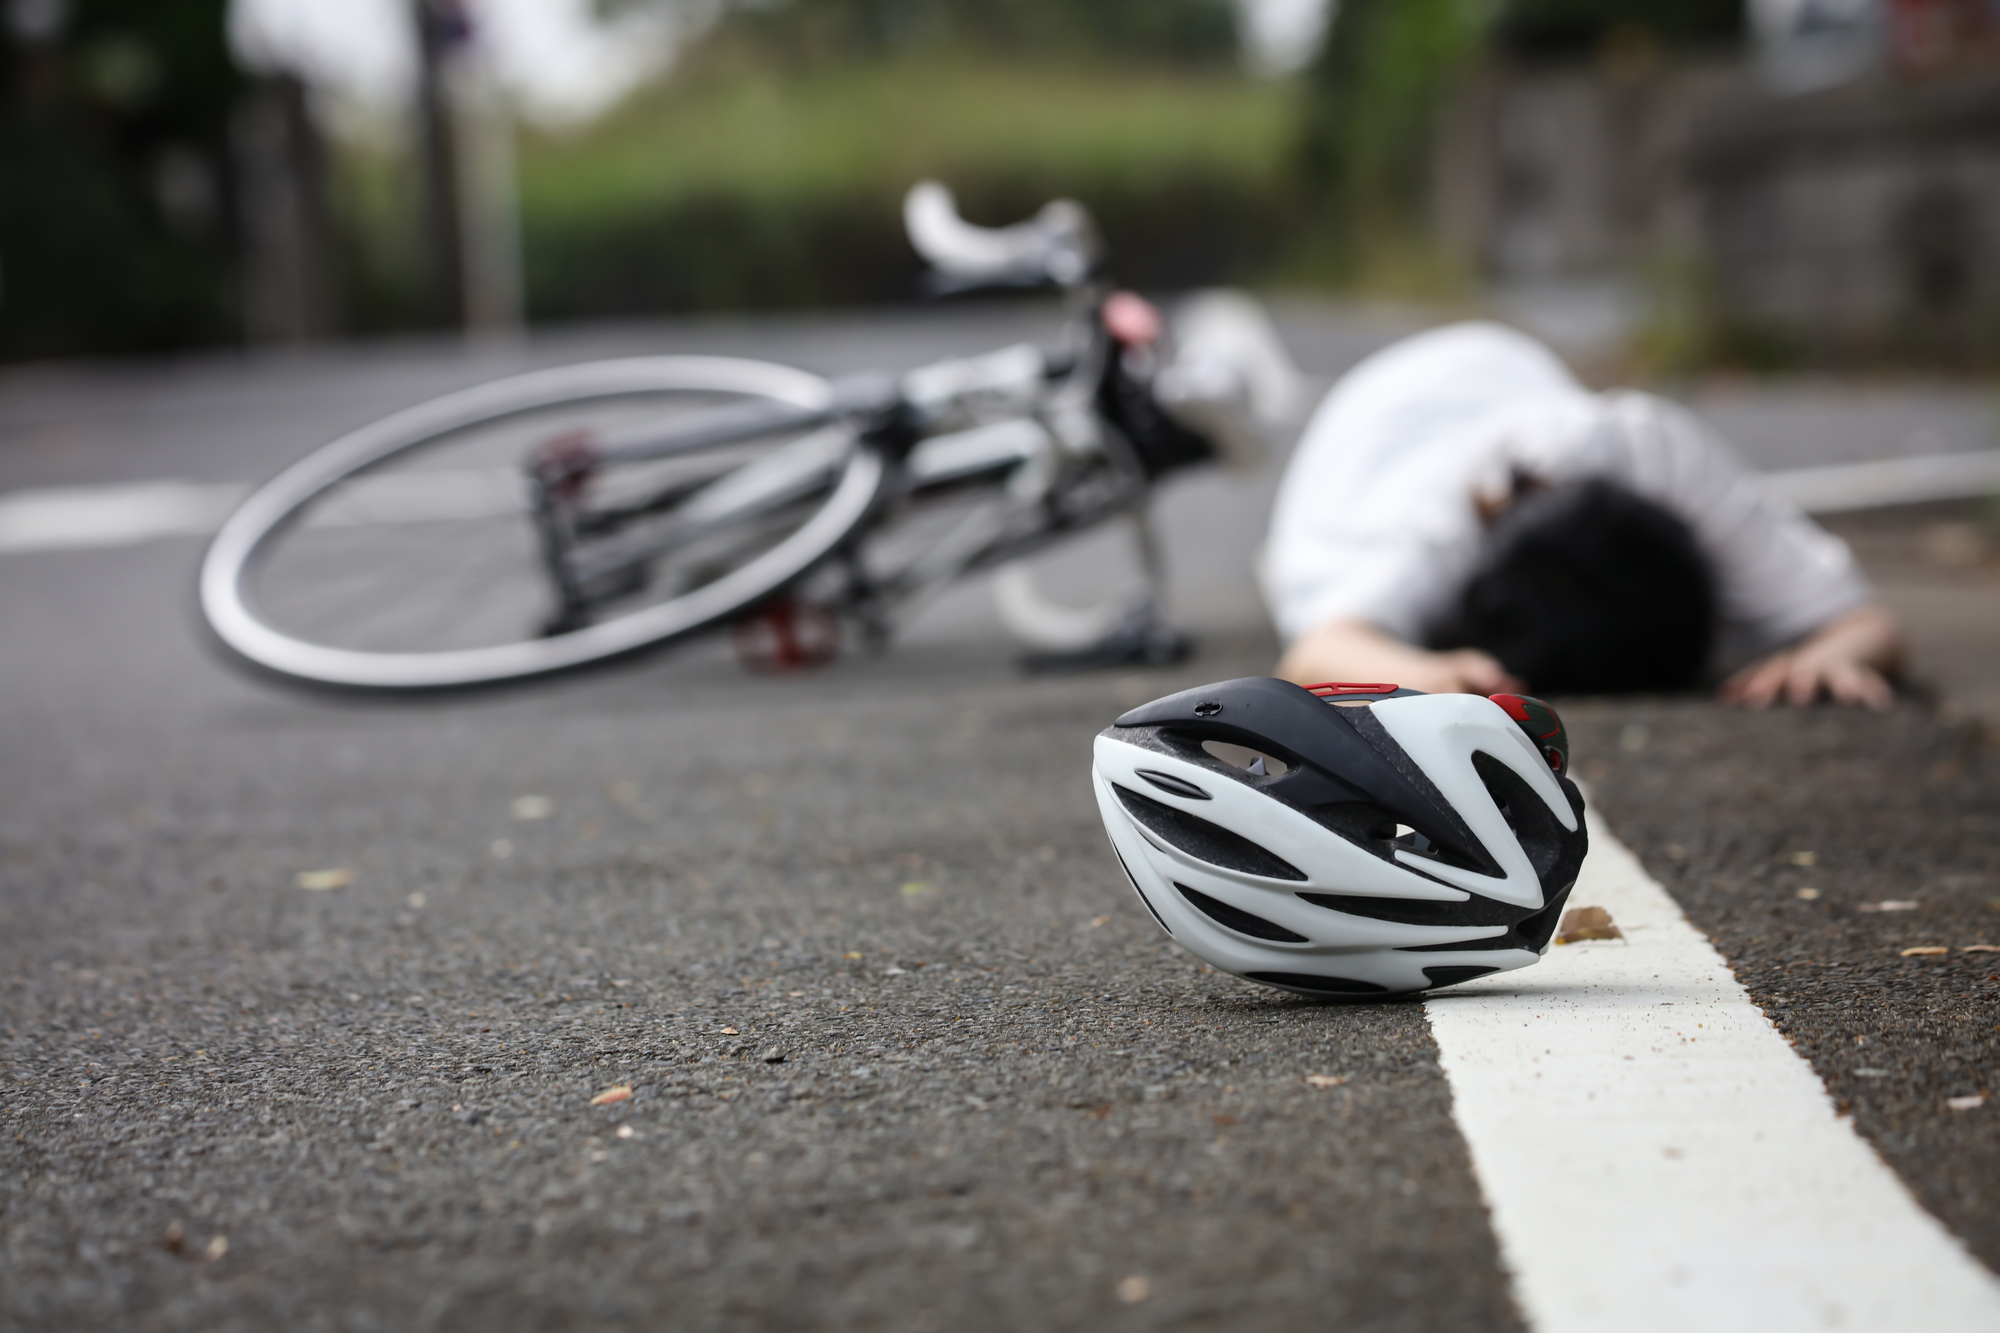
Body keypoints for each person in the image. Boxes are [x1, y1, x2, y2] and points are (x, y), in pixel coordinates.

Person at [1259, 322, 1902, 707]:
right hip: (1356, 443)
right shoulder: (1426, 525)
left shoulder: (1645, 445)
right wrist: (1434, 674)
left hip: (1502, 366)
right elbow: (1316, 655)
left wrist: (1832, 655)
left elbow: (1869, 624)